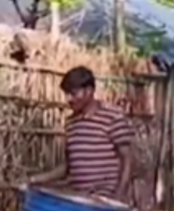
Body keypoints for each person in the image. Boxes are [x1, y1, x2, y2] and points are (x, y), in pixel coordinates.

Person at [27, 66, 135, 201]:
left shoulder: (112, 117)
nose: (68, 99)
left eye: (73, 93)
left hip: (104, 200)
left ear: (89, 91)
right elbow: (68, 166)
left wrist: (117, 199)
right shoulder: (71, 123)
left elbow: (128, 160)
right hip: (79, 202)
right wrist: (35, 179)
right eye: (66, 94)